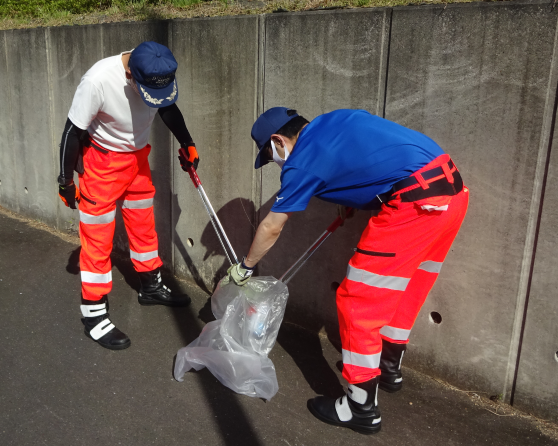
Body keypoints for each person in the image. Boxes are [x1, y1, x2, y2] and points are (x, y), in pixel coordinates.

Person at [226, 107, 469, 434]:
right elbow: (369, 158)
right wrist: (353, 198)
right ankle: (388, 367)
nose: (276, 162)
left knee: (358, 302)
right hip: (450, 192)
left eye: (270, 155)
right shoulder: (334, 122)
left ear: (277, 140)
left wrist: (245, 266)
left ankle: (360, 407)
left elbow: (271, 226)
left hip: (413, 205)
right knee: (406, 287)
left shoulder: (301, 160)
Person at [57, 41, 198, 351]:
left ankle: (150, 285)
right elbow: (71, 131)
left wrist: (187, 142)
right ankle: (93, 314)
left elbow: (167, 107)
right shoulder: (97, 81)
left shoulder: (156, 71)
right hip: (102, 162)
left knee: (142, 222)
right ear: (132, 75)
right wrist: (66, 180)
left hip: (137, 159)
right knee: (98, 236)